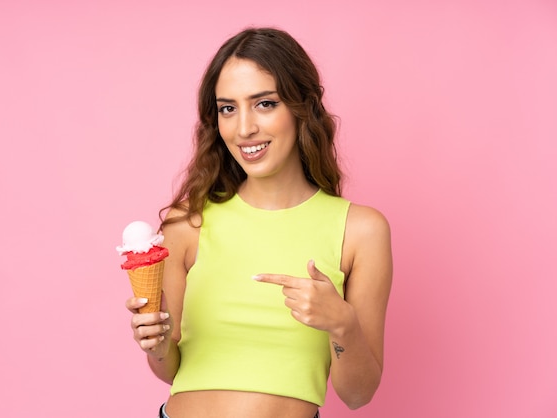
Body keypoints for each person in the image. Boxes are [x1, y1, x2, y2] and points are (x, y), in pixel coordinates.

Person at [125, 27, 393, 418]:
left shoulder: (361, 230)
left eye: (264, 103)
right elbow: (173, 371)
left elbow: (357, 394)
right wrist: (158, 347)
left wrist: (343, 325)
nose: (244, 128)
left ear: (303, 108)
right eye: (227, 108)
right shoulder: (188, 224)